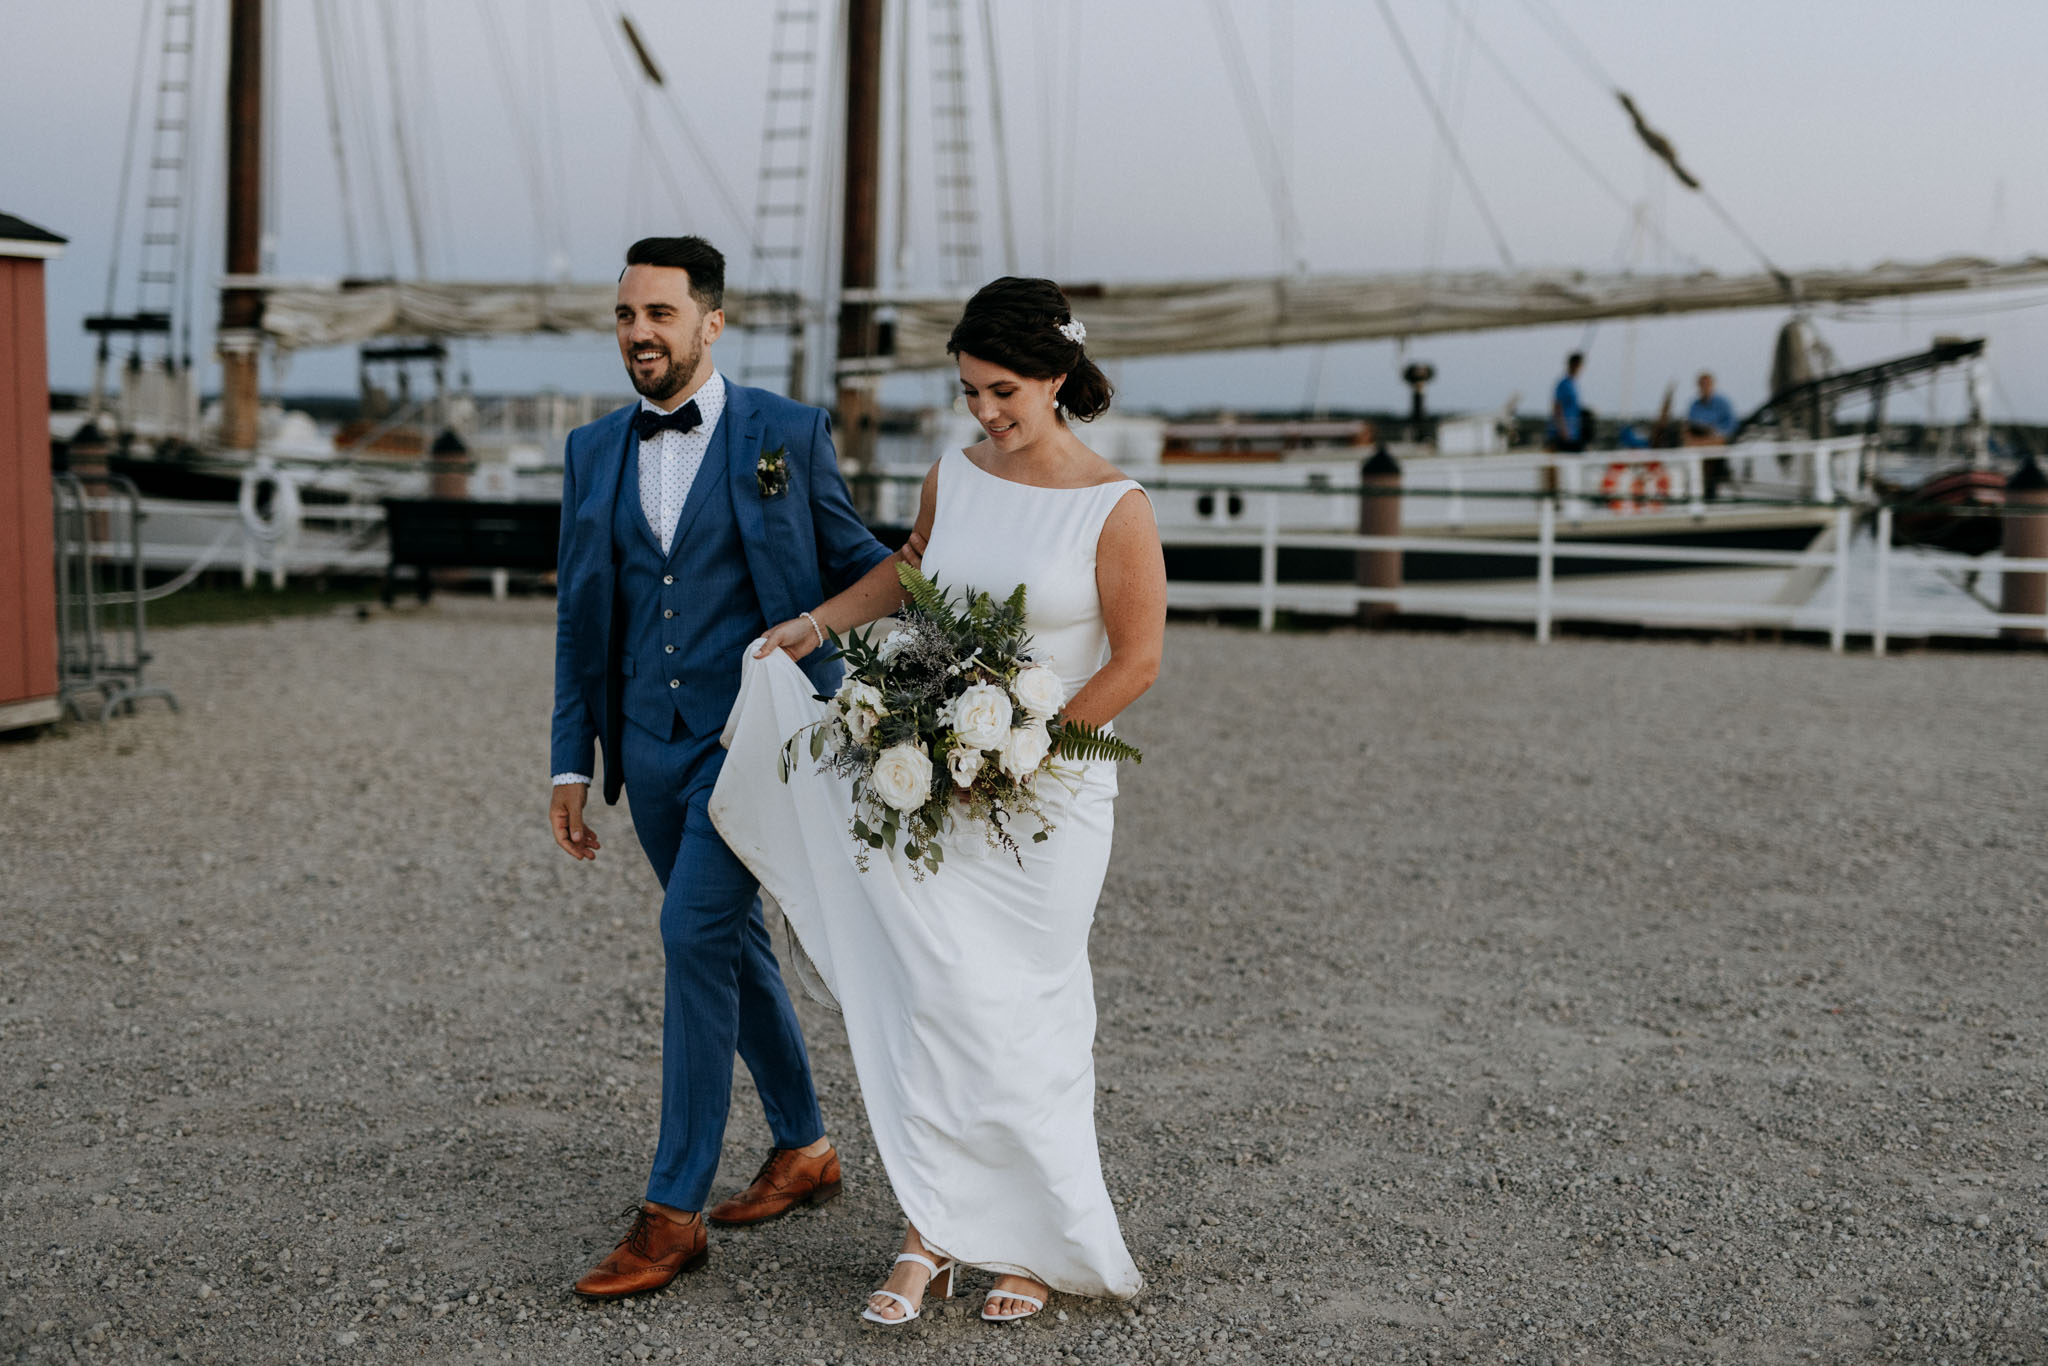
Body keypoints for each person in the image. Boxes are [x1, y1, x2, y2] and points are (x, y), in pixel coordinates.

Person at [710, 276, 1165, 1325]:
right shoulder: (953, 477)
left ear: (1055, 376)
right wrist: (816, 628)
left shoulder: (1114, 505)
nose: (985, 413)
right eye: (969, 391)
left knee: (1021, 1007)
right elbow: (913, 571)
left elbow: (1136, 661)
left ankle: (1036, 1243)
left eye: (1002, 390)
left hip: (1046, 802)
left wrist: (1023, 750)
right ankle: (931, 1232)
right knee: (934, 999)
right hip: (933, 783)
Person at [546, 235, 923, 1299]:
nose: (637, 334)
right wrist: (568, 760)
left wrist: (957, 592)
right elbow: (580, 619)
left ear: (711, 323)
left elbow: (869, 566)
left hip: (760, 744)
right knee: (727, 942)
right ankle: (803, 1145)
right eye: (624, 315)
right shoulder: (590, 450)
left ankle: (671, 1213)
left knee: (689, 933)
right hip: (648, 750)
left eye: (659, 314)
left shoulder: (784, 436)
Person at [1548, 351, 1588, 452]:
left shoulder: (1573, 384)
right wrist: (1563, 430)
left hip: (1574, 434)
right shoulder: (1564, 384)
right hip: (1564, 435)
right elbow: (1557, 407)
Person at [1685, 370, 1737, 443]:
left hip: (1719, 438)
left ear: (1712, 385)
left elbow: (1732, 423)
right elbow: (1691, 424)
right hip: (1700, 439)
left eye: (1707, 384)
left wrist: (1719, 433)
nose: (1705, 387)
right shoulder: (1694, 405)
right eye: (1702, 385)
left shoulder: (1723, 403)